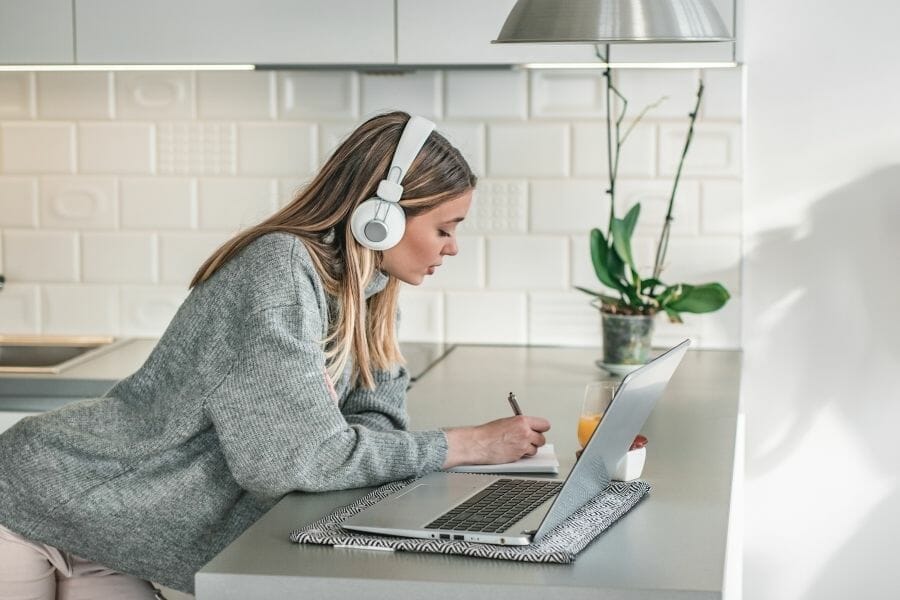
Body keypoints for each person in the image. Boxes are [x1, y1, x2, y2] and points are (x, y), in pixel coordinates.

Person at [0, 111, 550, 599]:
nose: (453, 246)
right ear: (379, 217)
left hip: (110, 521)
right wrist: (464, 444)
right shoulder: (279, 273)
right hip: (40, 496)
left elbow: (370, 425)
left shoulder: (366, 294)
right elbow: (294, 462)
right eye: (444, 228)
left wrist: (349, 432)